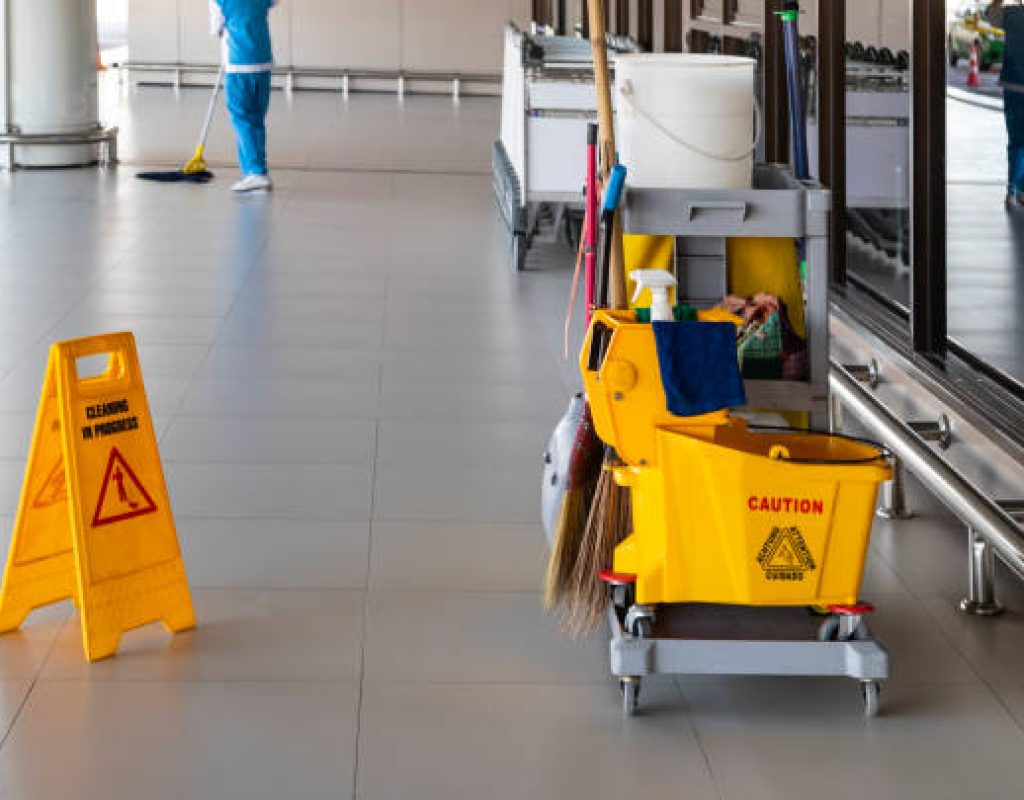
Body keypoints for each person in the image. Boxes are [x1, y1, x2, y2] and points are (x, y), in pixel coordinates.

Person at [210, 0, 277, 192]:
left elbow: (217, 29)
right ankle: (258, 170)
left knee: (243, 118)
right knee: (256, 119)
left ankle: (255, 173)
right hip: (263, 62)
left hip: (238, 63)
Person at [1000, 5, 1024, 209]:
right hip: (1014, 86)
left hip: (1013, 86)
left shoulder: (1010, 14)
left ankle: (1012, 189)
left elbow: (989, 13)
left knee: (1016, 140)